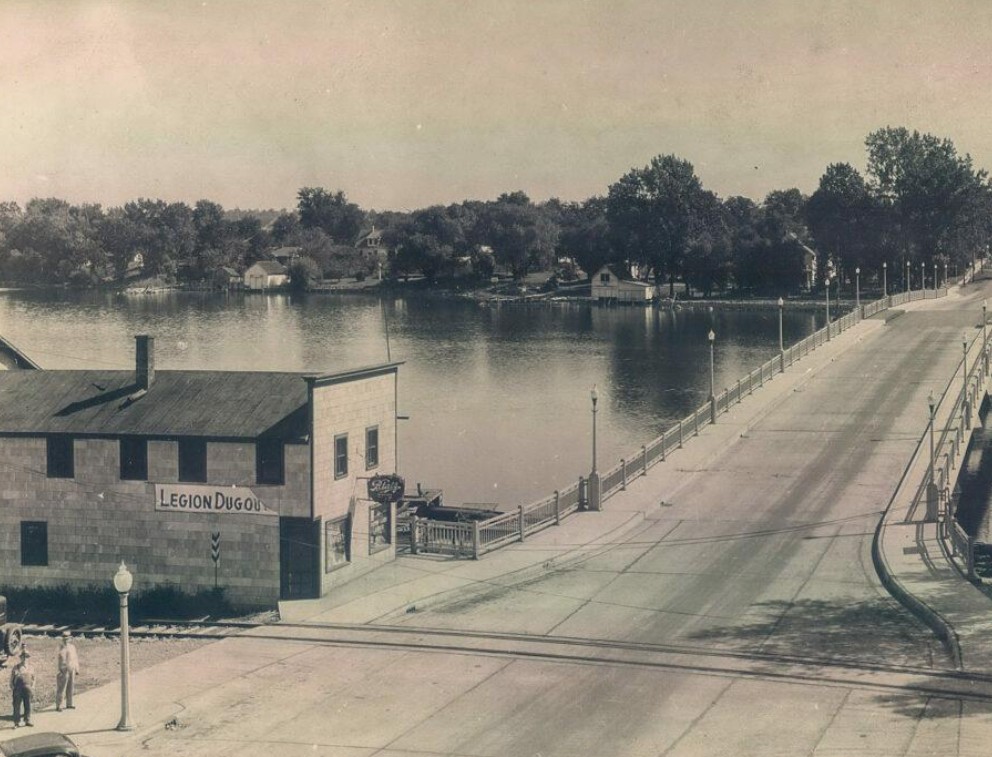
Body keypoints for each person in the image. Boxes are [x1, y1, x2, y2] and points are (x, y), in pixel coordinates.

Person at [10, 648, 35, 727]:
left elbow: (34, 678)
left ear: (28, 658)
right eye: (23, 657)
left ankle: (27, 720)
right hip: (18, 689)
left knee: (28, 705)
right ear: (20, 658)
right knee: (16, 706)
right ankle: (16, 722)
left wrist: (33, 686)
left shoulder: (31, 667)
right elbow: (11, 679)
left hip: (28, 689)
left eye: (26, 657)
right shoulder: (16, 667)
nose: (25, 658)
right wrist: (13, 687)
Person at [56, 631, 79, 711]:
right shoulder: (60, 647)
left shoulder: (72, 647)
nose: (65, 639)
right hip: (63, 670)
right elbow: (58, 659)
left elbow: (75, 658)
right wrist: (60, 669)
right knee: (61, 688)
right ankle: (59, 705)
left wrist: (77, 668)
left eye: (67, 638)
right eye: (64, 638)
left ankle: (69, 704)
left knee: (70, 687)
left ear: (70, 638)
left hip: (71, 668)